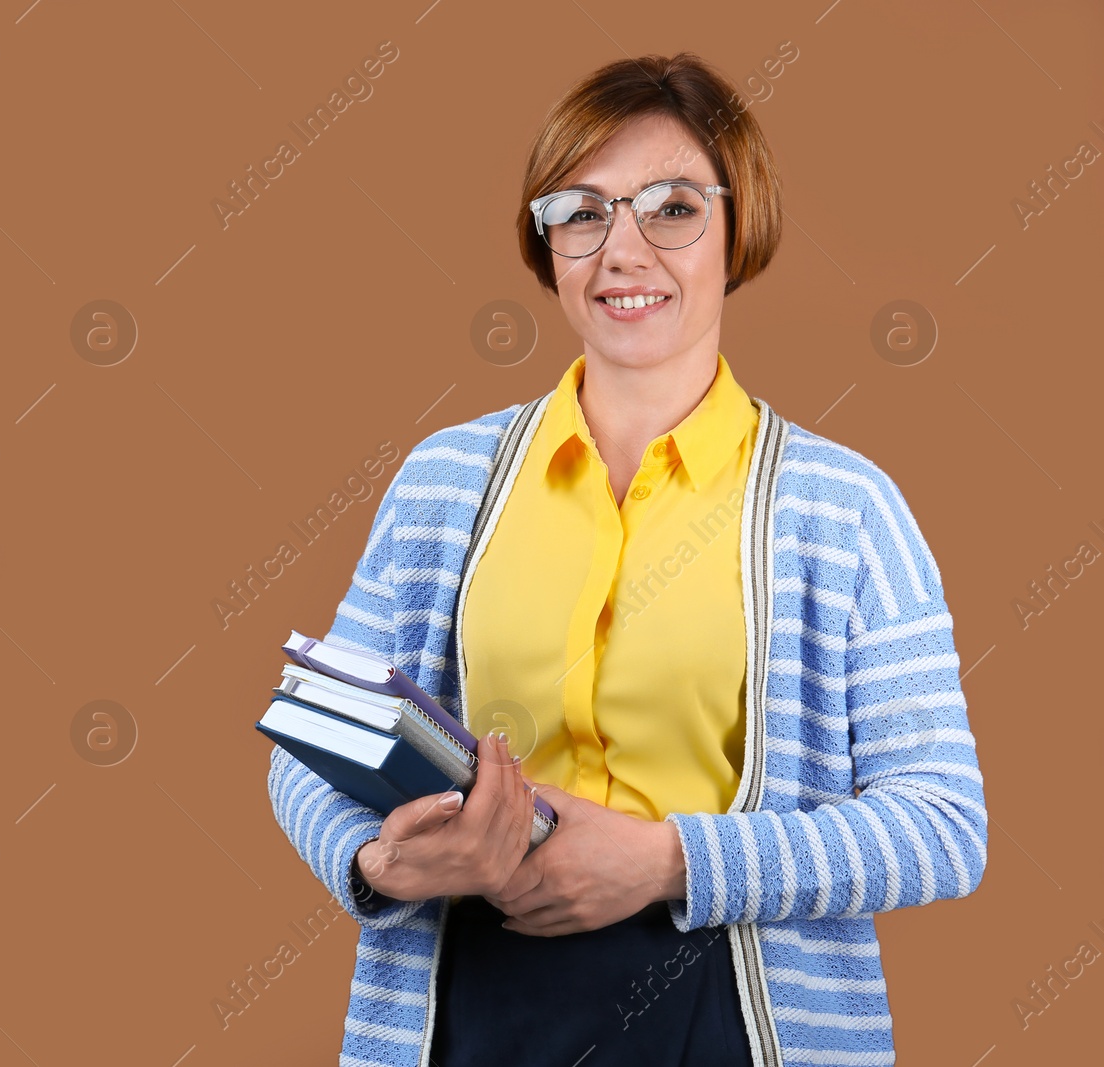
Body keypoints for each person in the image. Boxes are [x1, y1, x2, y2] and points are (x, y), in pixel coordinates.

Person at [264, 51, 987, 1067]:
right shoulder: (445, 481)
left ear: (740, 227)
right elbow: (311, 744)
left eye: (671, 207)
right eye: (582, 211)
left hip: (731, 1017)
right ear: (546, 241)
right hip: (467, 1013)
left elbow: (941, 825)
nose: (622, 251)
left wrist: (666, 860)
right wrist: (382, 860)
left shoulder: (843, 510)